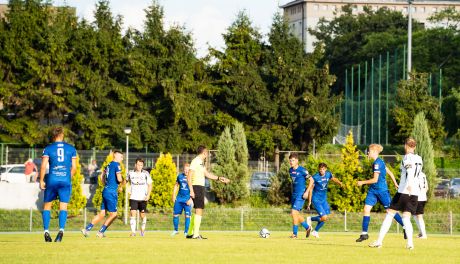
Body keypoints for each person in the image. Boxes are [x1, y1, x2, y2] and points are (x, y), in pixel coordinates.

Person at [369, 138, 423, 249]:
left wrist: (409, 185)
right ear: (415, 147)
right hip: (415, 193)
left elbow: (410, 172)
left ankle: (379, 241)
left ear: (405, 146)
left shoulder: (407, 158)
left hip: (404, 191)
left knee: (390, 214)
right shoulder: (419, 158)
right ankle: (410, 244)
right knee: (406, 218)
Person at [356, 144, 405, 242]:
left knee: (390, 211)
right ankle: (364, 234)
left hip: (382, 191)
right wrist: (395, 183)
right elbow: (389, 172)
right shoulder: (379, 162)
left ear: (374, 152)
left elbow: (375, 179)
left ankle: (405, 227)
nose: (368, 153)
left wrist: (362, 182)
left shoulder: (377, 163)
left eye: (369, 151)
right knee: (366, 209)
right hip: (373, 191)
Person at [39, 127, 77, 242]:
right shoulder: (71, 149)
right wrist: (67, 177)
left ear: (53, 136)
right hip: (65, 180)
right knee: (63, 206)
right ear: (62, 135)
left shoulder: (48, 149)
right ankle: (61, 231)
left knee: (47, 206)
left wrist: (41, 180)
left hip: (52, 180)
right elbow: (74, 167)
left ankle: (46, 231)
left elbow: (43, 166)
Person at [186, 145, 230, 239]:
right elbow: (189, 176)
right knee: (199, 209)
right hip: (196, 187)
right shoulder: (196, 161)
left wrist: (219, 178)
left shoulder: (201, 163)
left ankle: (190, 233)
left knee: (197, 209)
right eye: (207, 153)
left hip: (199, 187)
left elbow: (207, 174)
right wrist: (191, 190)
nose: (208, 155)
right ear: (204, 152)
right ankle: (196, 234)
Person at [81, 150, 124, 238]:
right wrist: (123, 181)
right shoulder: (117, 165)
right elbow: (119, 179)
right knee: (114, 214)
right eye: (121, 156)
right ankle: (101, 232)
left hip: (106, 190)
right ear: (115, 156)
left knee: (102, 213)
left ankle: (87, 229)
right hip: (111, 192)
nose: (122, 158)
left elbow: (101, 176)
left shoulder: (108, 165)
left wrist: (105, 184)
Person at [305, 163, 343, 238]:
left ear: (325, 169)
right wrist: (309, 202)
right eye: (320, 169)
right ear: (318, 169)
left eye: (323, 169)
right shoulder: (315, 177)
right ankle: (310, 219)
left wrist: (339, 183)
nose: (321, 170)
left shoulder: (328, 174)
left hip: (323, 200)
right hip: (316, 200)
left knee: (325, 218)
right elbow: (310, 190)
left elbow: (333, 178)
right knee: (324, 217)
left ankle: (315, 231)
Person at [287, 153, 311, 239]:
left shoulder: (302, 170)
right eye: (290, 160)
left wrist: (307, 192)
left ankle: (295, 234)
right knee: (295, 214)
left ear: (297, 161)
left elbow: (311, 181)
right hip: (294, 195)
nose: (291, 162)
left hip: (301, 194)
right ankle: (307, 227)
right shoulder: (290, 170)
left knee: (294, 213)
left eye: (293, 160)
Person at [126, 157, 152, 237]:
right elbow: (125, 181)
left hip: (143, 198)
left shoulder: (145, 173)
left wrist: (148, 195)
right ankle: (133, 232)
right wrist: (127, 189)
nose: (139, 166)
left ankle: (143, 228)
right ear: (135, 165)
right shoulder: (130, 173)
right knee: (132, 213)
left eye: (141, 165)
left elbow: (150, 184)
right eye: (138, 165)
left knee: (142, 215)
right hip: (133, 197)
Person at [171, 163, 193, 237]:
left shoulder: (192, 178)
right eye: (185, 169)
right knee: (175, 214)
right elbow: (176, 185)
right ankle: (176, 230)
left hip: (187, 200)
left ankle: (186, 232)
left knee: (187, 216)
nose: (186, 171)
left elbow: (194, 189)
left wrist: (191, 199)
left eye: (188, 170)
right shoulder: (179, 176)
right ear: (183, 170)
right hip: (179, 199)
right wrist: (173, 195)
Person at [413, 171, 428, 239]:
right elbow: (427, 188)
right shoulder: (423, 174)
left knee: (419, 216)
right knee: (414, 214)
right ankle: (421, 232)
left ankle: (424, 234)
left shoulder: (415, 174)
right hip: (423, 197)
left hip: (418, 197)